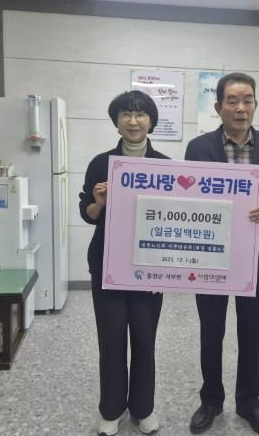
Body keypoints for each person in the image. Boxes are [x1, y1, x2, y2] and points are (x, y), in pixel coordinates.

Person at [185, 73, 259, 436]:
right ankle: (211, 400)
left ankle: (250, 402)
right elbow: (186, 197)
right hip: (210, 255)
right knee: (211, 331)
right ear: (218, 107)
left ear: (255, 105)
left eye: (247, 100)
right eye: (232, 101)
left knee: (251, 331)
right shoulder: (198, 147)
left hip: (253, 255)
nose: (240, 108)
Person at [79, 90, 169, 436]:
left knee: (145, 340)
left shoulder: (165, 165)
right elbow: (87, 213)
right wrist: (99, 203)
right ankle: (111, 409)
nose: (133, 121)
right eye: (126, 114)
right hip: (108, 265)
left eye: (140, 114)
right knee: (112, 340)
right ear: (116, 122)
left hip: (150, 266)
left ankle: (143, 408)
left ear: (151, 121)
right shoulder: (101, 164)